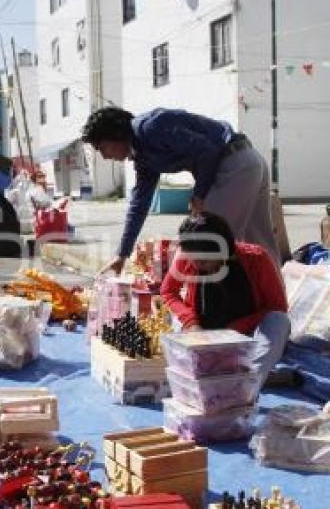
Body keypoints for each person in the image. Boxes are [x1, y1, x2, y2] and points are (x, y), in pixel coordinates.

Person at [81, 107, 279, 275]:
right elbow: (139, 205)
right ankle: (276, 304)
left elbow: (207, 151)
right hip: (249, 161)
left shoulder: (151, 128)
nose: (105, 157)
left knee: (209, 245)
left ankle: (224, 313)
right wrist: (122, 254)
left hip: (234, 165)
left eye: (101, 148)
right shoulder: (143, 157)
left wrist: (199, 194)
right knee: (259, 242)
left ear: (114, 135)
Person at [161, 213, 290, 384]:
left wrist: (233, 331)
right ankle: (224, 372)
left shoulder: (257, 258)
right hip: (201, 334)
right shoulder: (186, 257)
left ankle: (249, 382)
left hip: (246, 338)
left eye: (204, 261)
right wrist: (191, 323)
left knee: (279, 321)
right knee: (173, 321)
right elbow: (168, 292)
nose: (198, 265)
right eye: (194, 260)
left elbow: (277, 306)